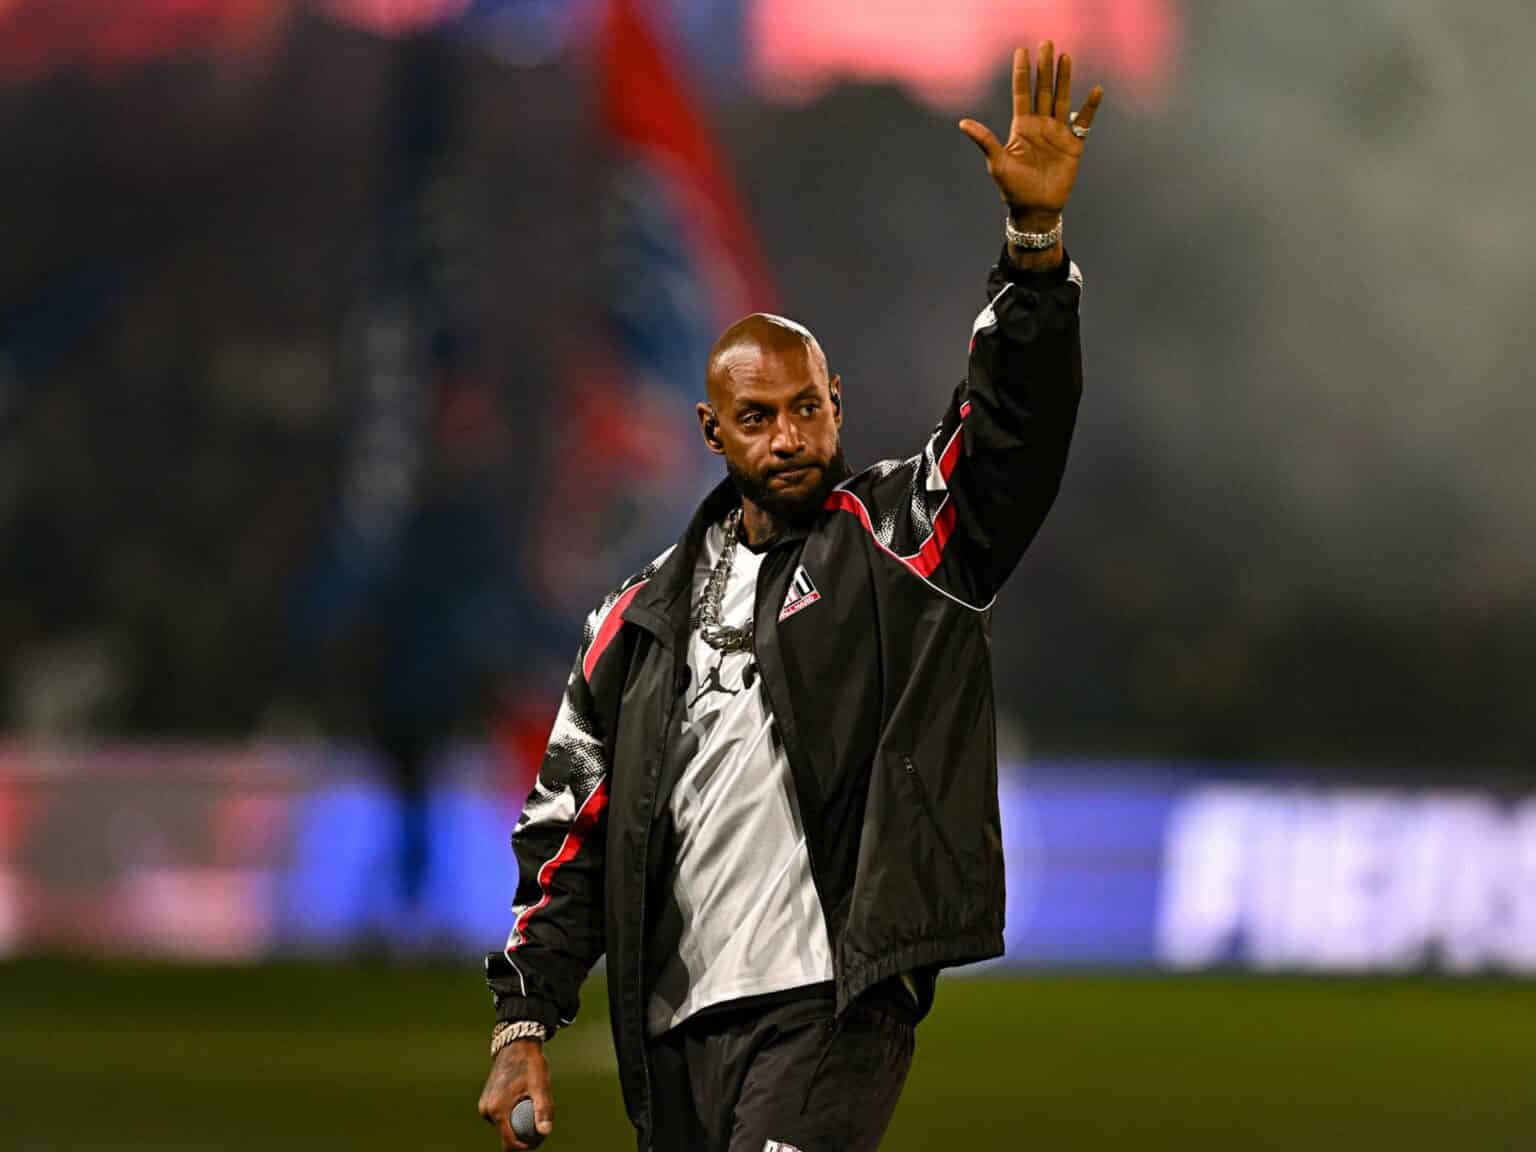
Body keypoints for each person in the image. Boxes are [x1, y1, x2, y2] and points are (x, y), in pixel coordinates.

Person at [479, 41, 1104, 1152]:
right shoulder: (637, 623)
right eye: (758, 417)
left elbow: (1009, 435)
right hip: (675, 1029)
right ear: (712, 432)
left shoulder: (895, 542)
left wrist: (1035, 251)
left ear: (836, 405)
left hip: (830, 1006)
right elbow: (569, 828)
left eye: (807, 409)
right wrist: (525, 1017)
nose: (789, 436)